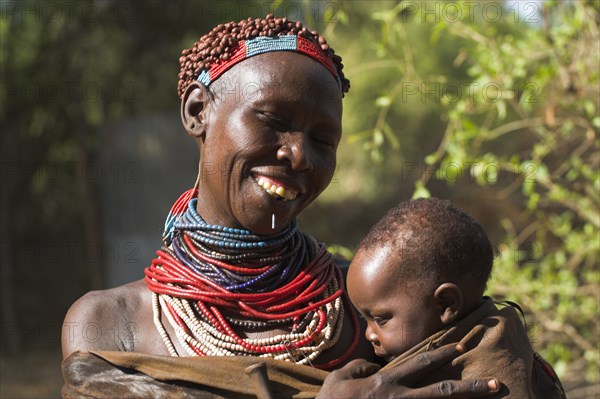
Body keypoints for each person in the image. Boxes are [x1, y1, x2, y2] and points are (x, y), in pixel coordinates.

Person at [61, 15, 501, 398]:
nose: (300, 155)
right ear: (198, 111)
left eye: (322, 140)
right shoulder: (108, 326)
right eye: (273, 121)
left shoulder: (374, 306)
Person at [342, 197, 566, 398]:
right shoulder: (500, 334)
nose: (369, 334)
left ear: (446, 304)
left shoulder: (491, 378)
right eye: (365, 320)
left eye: (380, 319)